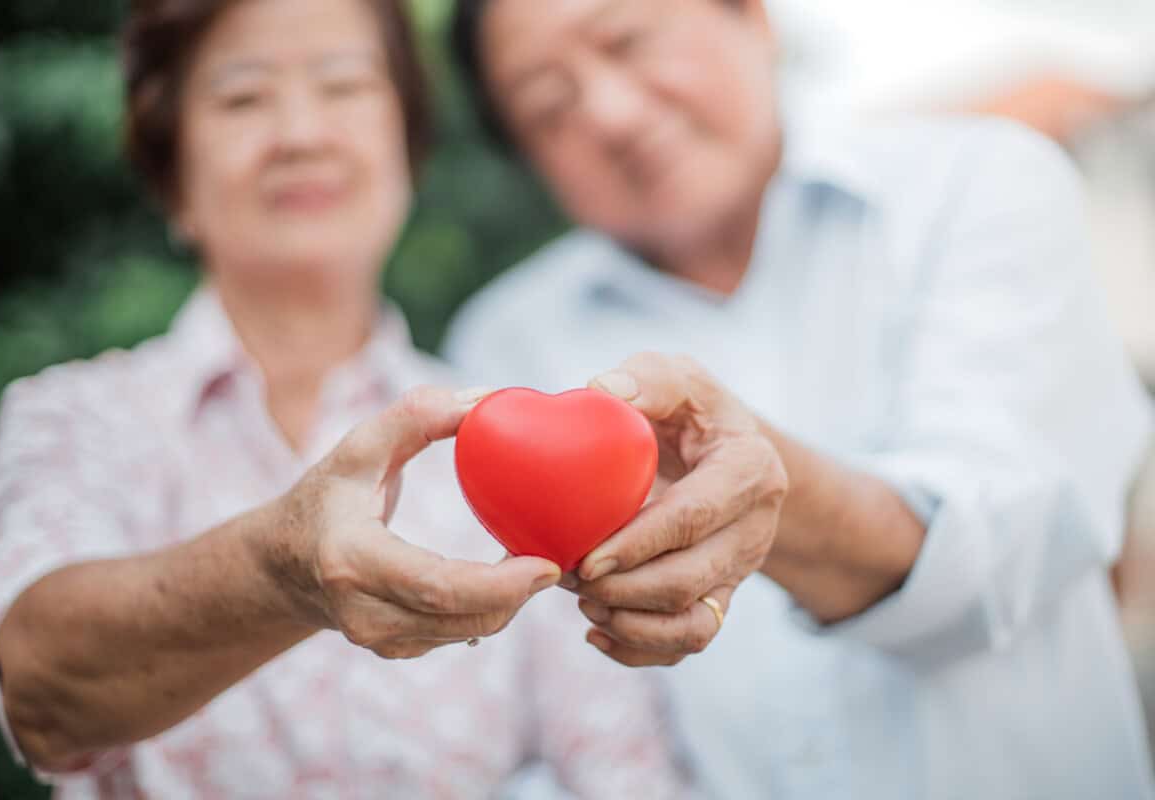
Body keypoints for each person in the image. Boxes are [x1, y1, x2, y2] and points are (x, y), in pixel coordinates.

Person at [0, 1, 696, 797]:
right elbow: (43, 695)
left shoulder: (513, 447)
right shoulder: (75, 419)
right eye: (243, 98)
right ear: (173, 181)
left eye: (343, 86)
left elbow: (622, 770)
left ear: (407, 151)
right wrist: (278, 574)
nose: (301, 133)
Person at [442, 0, 1155, 797]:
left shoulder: (980, 184)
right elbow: (553, 702)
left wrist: (770, 494)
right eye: (549, 104)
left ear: (752, 18)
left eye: (628, 41)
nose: (610, 113)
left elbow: (1009, 541)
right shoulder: (505, 345)